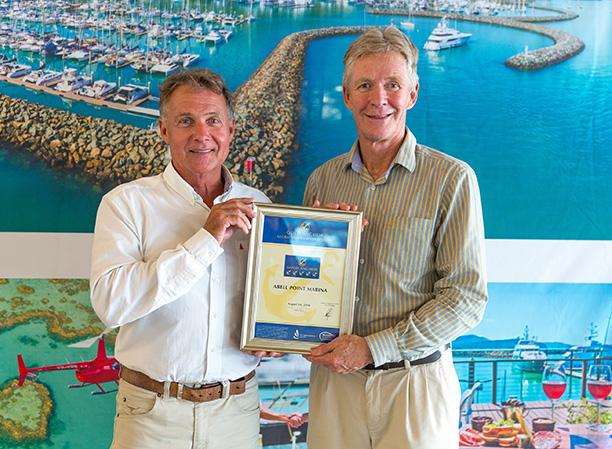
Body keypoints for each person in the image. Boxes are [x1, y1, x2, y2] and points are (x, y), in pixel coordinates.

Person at [303, 26, 488, 449]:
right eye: (364, 85)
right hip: (335, 387)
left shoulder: (452, 179)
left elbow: (466, 299)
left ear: (412, 94)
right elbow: (304, 281)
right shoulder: (320, 183)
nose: (379, 98)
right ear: (347, 96)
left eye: (392, 85)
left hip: (415, 386)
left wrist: (373, 349)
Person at [90, 68, 269, 449]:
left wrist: (277, 339)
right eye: (186, 120)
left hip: (236, 412)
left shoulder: (263, 208)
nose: (202, 135)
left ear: (231, 130)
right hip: (152, 414)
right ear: (163, 130)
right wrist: (206, 238)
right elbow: (110, 306)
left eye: (213, 121)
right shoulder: (126, 204)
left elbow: (280, 300)